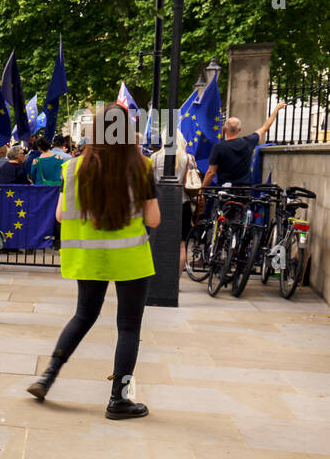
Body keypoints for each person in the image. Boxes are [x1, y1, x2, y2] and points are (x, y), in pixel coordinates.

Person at [28, 103, 161, 419]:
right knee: (129, 327)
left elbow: (61, 214)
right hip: (130, 258)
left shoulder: (73, 168)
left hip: (89, 256)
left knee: (83, 315)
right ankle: (119, 399)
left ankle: (48, 376)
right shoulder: (141, 167)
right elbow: (153, 219)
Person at [203, 102, 287, 187]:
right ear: (239, 129)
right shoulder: (248, 142)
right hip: (244, 190)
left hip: (224, 190)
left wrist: (202, 189)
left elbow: (211, 172)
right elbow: (265, 127)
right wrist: (277, 108)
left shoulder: (218, 147)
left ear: (224, 129)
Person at [150, 143, 202, 273]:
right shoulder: (188, 158)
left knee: (158, 242)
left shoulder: (155, 158)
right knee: (182, 245)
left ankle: (159, 276)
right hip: (182, 203)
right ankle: (176, 280)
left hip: (161, 203)